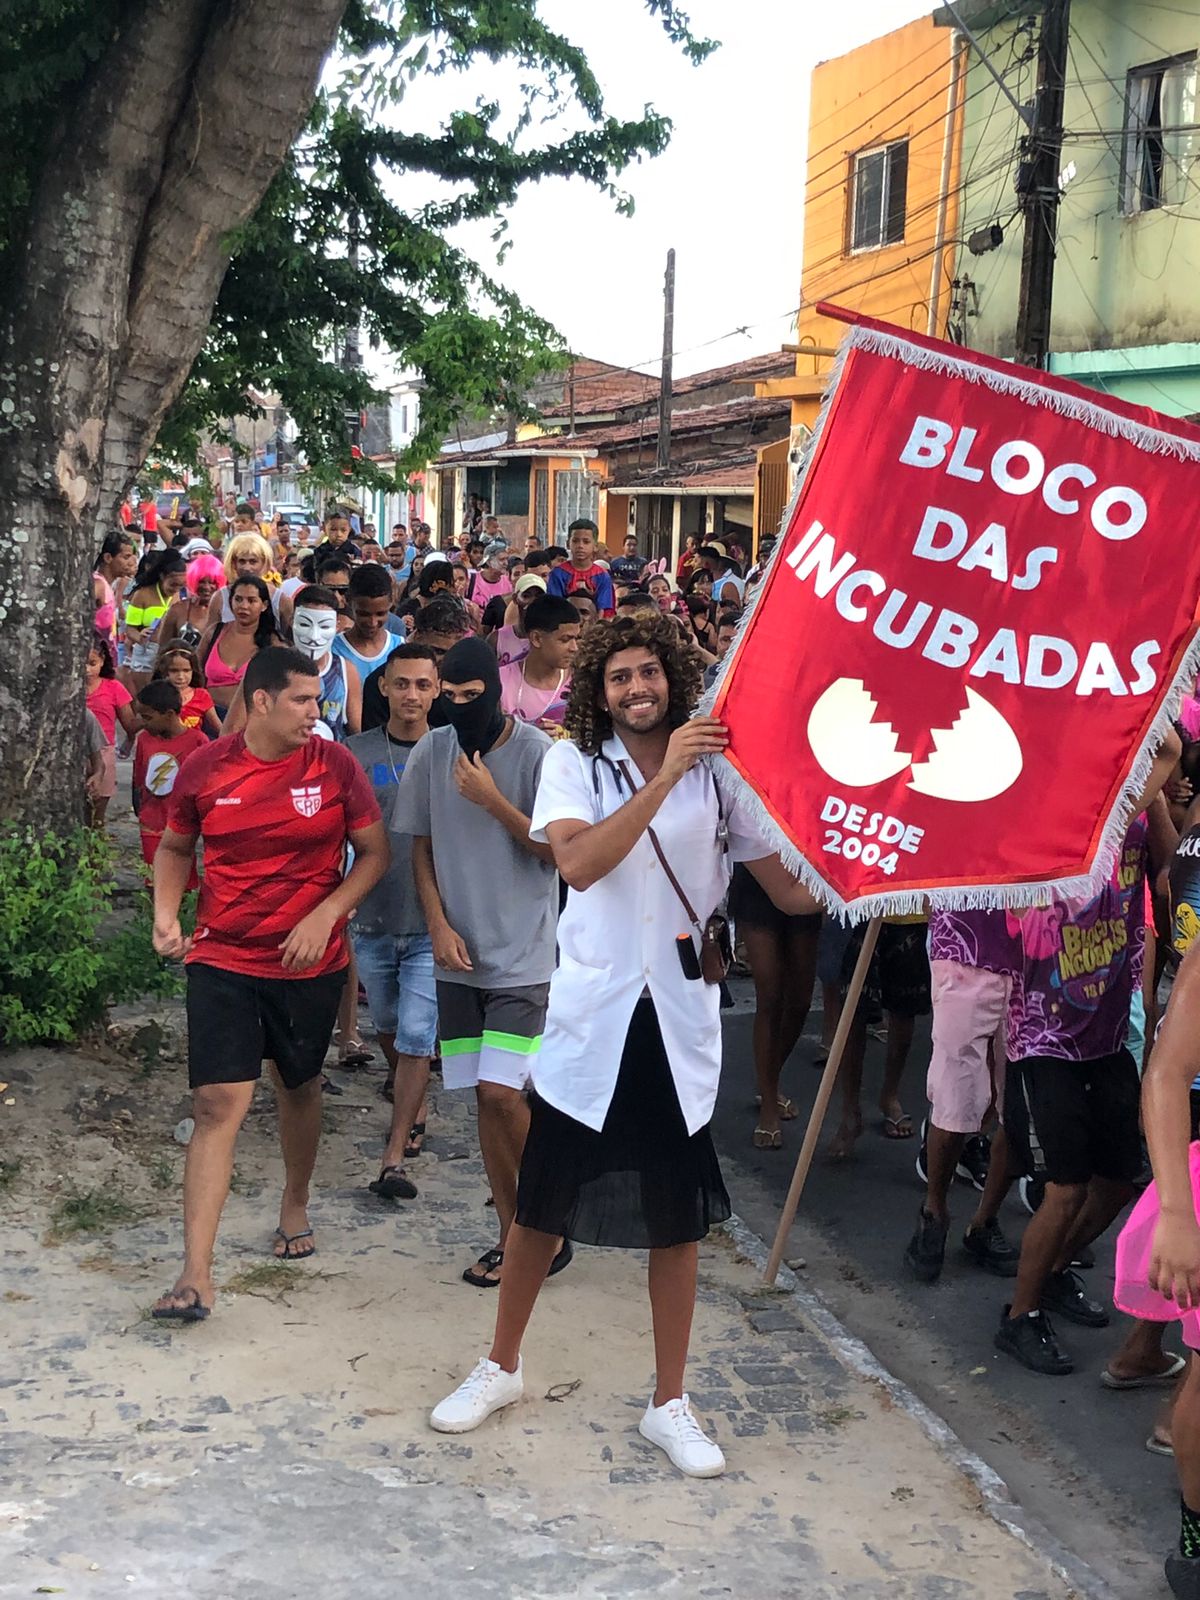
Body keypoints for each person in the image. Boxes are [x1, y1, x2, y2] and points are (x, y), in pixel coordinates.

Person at [428, 612, 818, 1471]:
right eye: (620, 677)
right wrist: (666, 773)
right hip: (595, 1016)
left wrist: (875, 876)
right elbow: (578, 863)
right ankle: (501, 1367)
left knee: (677, 1221)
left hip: (676, 1022)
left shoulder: (720, 774)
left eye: (649, 672)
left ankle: (669, 1403)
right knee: (540, 1207)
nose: (638, 688)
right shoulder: (575, 764)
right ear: (600, 692)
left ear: (673, 677)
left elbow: (789, 890)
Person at [150, 649, 387, 1321]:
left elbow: (375, 854)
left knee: (299, 1085)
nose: (316, 712)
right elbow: (175, 847)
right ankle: (196, 1274)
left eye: (317, 699)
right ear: (259, 701)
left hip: (308, 964)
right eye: (302, 700)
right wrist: (165, 914)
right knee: (215, 1104)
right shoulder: (206, 767)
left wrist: (326, 915)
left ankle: (295, 1201)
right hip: (222, 958)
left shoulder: (335, 765)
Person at [996, 742, 1179, 1376]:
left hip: (1107, 1035)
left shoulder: (1132, 810)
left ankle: (1046, 1274)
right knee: (1065, 1189)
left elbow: (1169, 872)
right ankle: (1019, 1316)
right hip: (1043, 1040)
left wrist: (1156, 802)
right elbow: (1164, 754)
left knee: (1121, 1179)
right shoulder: (1044, 816)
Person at [393, 636, 561, 1289]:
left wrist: (493, 800)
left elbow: (559, 854)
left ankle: (547, 1219)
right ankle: (515, 1233)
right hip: (457, 958)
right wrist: (436, 925)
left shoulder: (538, 754)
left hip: (524, 956)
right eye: (450, 696)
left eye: (473, 696)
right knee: (485, 1106)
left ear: (496, 690)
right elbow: (421, 849)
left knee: (502, 1093)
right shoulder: (433, 752)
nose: (461, 707)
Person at [346, 647, 442, 1198]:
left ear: (436, 690)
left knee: (416, 1034)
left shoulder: (453, 750)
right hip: (372, 917)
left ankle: (395, 1150)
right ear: (384, 686)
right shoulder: (356, 753)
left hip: (429, 920)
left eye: (423, 685)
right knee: (386, 1023)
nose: (412, 695)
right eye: (402, 683)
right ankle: (412, 1091)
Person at [902, 910, 1022, 1283]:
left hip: (1036, 956)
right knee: (955, 1099)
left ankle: (984, 1221)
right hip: (963, 950)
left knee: (1019, 1105)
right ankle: (934, 1212)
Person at [729, 862, 821, 1150]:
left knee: (800, 1000)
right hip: (757, 872)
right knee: (769, 996)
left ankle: (768, 1077)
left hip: (803, 872)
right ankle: (769, 1103)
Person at [131, 681, 207, 887]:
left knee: (184, 877)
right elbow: (139, 779)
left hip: (182, 823)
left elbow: (207, 783)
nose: (142, 723)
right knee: (154, 877)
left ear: (169, 714)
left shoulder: (198, 741)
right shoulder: (145, 740)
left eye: (147, 717)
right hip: (151, 821)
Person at [360, 596, 473, 731]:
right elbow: (373, 738)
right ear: (417, 637)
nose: (445, 660)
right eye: (438, 651)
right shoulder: (380, 681)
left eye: (453, 653)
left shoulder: (464, 686)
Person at [200, 575, 280, 720]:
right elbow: (194, 672)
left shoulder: (274, 643)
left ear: (264, 605)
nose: (243, 606)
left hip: (251, 722)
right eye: (238, 599)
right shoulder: (214, 633)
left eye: (251, 600)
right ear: (230, 602)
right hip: (207, 718)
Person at [498, 594, 579, 730]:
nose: (574, 648)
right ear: (536, 638)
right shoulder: (500, 682)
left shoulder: (580, 682)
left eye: (576, 638)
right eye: (565, 640)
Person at [85, 634, 136, 826]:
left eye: (92, 663)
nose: (87, 670)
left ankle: (97, 837)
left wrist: (130, 739)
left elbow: (129, 723)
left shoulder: (113, 687)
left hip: (104, 749)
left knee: (98, 808)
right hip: (75, 752)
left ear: (102, 660)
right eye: (82, 664)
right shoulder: (68, 688)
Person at [124, 550, 188, 690]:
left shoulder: (179, 596)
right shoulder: (142, 594)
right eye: (173, 584)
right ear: (162, 576)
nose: (176, 589)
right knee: (145, 692)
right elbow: (129, 629)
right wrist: (140, 637)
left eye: (181, 585)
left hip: (169, 652)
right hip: (146, 651)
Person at [332, 564, 404, 682]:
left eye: (380, 614)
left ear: (391, 602)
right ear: (348, 601)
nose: (372, 623)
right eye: (363, 614)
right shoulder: (332, 649)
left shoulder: (399, 648)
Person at [156, 552, 224, 655]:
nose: (206, 587)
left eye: (212, 582)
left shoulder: (227, 611)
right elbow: (163, 650)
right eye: (201, 581)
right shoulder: (177, 610)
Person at [545, 520, 614, 616]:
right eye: (575, 541)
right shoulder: (557, 573)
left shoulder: (602, 575)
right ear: (568, 544)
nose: (580, 546)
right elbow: (555, 606)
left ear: (595, 546)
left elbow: (604, 609)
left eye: (586, 542)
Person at [152, 647, 221, 738]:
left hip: (195, 745)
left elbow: (218, 727)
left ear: (193, 671)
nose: (180, 676)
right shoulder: (157, 695)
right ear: (164, 672)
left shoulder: (201, 695)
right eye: (174, 671)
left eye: (186, 670)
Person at [93, 531, 137, 648]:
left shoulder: (108, 586)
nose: (131, 563)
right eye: (126, 557)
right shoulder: (98, 584)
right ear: (108, 558)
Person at [492, 573, 546, 667]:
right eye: (526, 596)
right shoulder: (496, 638)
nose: (533, 602)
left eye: (539, 596)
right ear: (515, 599)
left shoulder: (551, 639)